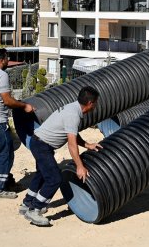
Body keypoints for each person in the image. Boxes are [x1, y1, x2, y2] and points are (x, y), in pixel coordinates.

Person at [21, 86, 102, 227]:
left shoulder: (73, 108)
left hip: (39, 142)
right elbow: (71, 144)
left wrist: (87, 144)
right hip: (42, 145)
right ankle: (35, 210)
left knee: (42, 173)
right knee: (54, 178)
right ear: (90, 103)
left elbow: (72, 133)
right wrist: (80, 166)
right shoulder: (73, 115)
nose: (96, 105)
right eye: (96, 103)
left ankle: (27, 204)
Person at [0, 48, 33, 199]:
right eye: (7, 57)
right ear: (3, 59)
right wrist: (24, 106)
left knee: (4, 153)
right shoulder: (2, 75)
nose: (8, 60)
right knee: (5, 155)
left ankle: (7, 182)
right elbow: (7, 100)